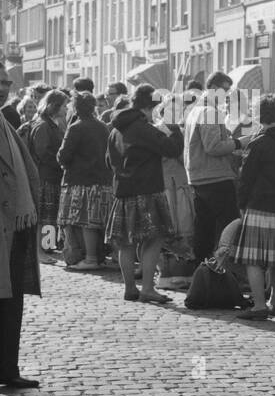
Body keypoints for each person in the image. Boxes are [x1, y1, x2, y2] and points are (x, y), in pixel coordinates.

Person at [104, 84, 184, 304]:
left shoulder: (115, 128)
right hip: (146, 189)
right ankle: (147, 288)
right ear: (151, 106)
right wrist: (174, 127)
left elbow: (108, 161)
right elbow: (172, 149)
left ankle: (130, 288)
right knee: (154, 239)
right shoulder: (141, 127)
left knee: (126, 243)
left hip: (123, 190)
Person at [232, 96, 275, 319]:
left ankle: (259, 305)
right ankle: (274, 301)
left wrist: (241, 205)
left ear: (259, 117)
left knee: (254, 259)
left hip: (260, 205)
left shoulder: (258, 143)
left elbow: (246, 178)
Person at [0, 104, 41, 388]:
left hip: (14, 224)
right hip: (6, 221)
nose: (3, 86)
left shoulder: (5, 122)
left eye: (5, 81)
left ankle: (7, 368)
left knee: (11, 301)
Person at [184, 71, 244, 262]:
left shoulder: (196, 110)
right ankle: (224, 272)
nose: (227, 95)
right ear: (213, 89)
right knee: (229, 227)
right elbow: (213, 147)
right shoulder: (209, 111)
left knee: (204, 228)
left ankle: (202, 272)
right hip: (214, 177)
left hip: (200, 176)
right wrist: (239, 143)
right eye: (225, 90)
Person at [55, 91, 113, 270]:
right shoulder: (103, 126)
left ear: (76, 108)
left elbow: (63, 156)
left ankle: (90, 258)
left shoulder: (76, 127)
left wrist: (61, 158)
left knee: (85, 221)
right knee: (99, 221)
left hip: (80, 180)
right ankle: (100, 256)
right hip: (103, 179)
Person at [26, 90, 69, 259]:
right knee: (45, 215)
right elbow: (41, 152)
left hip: (50, 176)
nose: (66, 109)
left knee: (48, 216)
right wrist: (61, 163)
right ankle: (41, 250)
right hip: (45, 177)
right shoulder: (44, 125)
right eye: (64, 106)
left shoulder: (50, 123)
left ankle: (47, 247)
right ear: (55, 106)